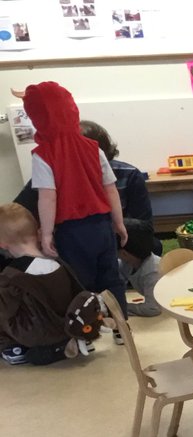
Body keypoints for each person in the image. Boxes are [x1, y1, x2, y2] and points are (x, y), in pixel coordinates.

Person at [19, 82, 127, 328]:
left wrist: (45, 233)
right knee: (111, 278)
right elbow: (110, 188)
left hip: (72, 231)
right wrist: (118, 222)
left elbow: (48, 197)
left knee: (79, 284)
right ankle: (122, 328)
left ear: (37, 118)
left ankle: (85, 333)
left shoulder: (43, 154)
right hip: (102, 225)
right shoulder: (93, 148)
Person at [79, 120, 162, 316]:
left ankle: (116, 298)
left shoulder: (129, 175)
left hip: (121, 238)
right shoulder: (65, 177)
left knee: (153, 246)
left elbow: (145, 225)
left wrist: (112, 229)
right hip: (87, 242)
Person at [0, 203, 91, 364]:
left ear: (2, 245)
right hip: (66, 328)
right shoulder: (59, 264)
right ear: (38, 233)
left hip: (36, 335)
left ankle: (12, 348)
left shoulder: (11, 275)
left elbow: (4, 311)